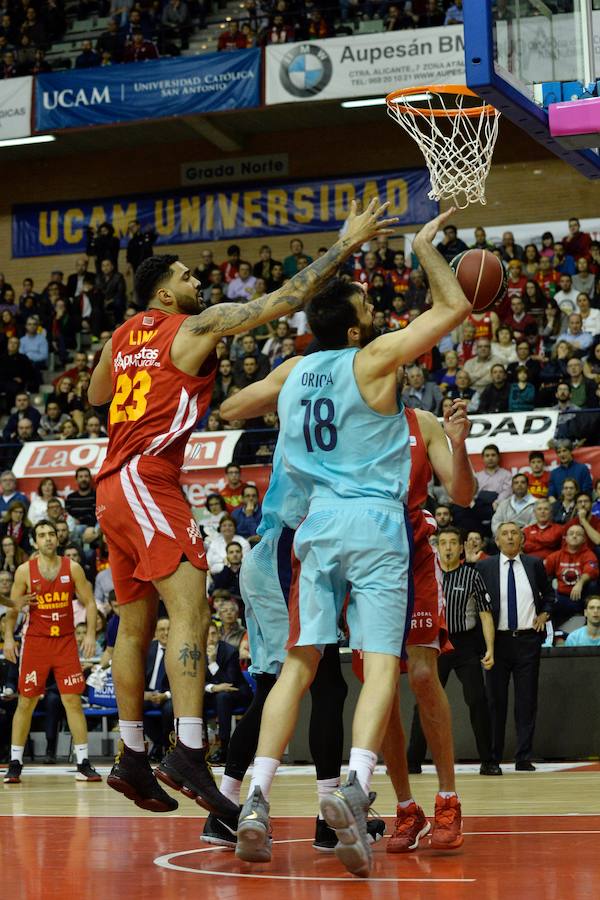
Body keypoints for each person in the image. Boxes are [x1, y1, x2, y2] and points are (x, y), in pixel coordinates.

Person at [87, 198, 400, 817]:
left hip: (109, 488)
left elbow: (99, 392)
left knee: (135, 618)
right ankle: (187, 750)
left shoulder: (122, 335)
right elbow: (284, 301)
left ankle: (129, 753)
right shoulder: (192, 327)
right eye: (186, 277)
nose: (197, 281)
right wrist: (345, 244)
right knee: (191, 606)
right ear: (167, 297)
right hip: (149, 476)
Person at [232, 208, 471, 877]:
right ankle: (357, 789)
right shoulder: (374, 358)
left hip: (315, 527)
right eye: (367, 303)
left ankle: (255, 799)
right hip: (373, 524)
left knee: (301, 664)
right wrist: (423, 246)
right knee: (381, 665)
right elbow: (451, 305)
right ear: (359, 325)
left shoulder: (294, 372)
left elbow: (231, 408)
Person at [215, 378, 475, 856]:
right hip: (357, 547)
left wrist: (458, 446)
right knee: (379, 678)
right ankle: (404, 806)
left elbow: (462, 493)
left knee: (419, 674)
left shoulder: (424, 424)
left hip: (409, 547)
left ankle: (447, 797)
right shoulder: (345, 418)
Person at [3, 520, 102, 784]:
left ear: (57, 539)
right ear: (35, 541)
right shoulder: (25, 571)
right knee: (27, 701)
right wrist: (9, 639)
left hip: (66, 642)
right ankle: (15, 762)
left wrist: (91, 633)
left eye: (51, 534)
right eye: (42, 535)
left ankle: (83, 761)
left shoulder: (73, 568)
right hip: (35, 642)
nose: (47, 538)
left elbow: (90, 602)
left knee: (72, 700)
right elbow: (13, 607)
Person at [406, 527, 498, 776]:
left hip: (465, 645)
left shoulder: (472, 575)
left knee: (477, 700)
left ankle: (488, 761)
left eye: (453, 543)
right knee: (425, 701)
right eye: (443, 542)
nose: (447, 547)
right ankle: (412, 761)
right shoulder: (427, 576)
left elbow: (485, 613)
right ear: (437, 547)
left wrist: (490, 648)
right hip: (435, 645)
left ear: (461, 548)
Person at [476, 522, 554, 771]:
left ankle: (523, 756)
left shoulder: (533, 564)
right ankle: (493, 757)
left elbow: (550, 596)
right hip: (496, 642)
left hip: (528, 640)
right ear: (496, 541)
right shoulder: (484, 566)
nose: (510, 537)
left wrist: (545, 613)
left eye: (514, 534)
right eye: (504, 534)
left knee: (526, 699)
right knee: (494, 701)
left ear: (522, 539)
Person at [204, 622, 252, 764]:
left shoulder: (230, 651)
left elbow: (229, 682)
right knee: (196, 698)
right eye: (207, 634)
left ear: (219, 635)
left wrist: (212, 663)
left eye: (213, 634)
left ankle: (225, 747)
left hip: (236, 694)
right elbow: (196, 680)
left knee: (223, 697)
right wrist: (213, 688)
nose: (210, 638)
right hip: (211, 693)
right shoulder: (197, 651)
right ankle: (200, 747)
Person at [544, 524, 599, 627]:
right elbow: (543, 574)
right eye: (571, 534)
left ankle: (589, 622)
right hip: (562, 597)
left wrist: (580, 583)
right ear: (566, 538)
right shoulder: (555, 556)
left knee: (593, 584)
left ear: (584, 539)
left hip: (582, 597)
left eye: (578, 534)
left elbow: (592, 571)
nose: (574, 536)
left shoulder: (588, 554)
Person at [144, 617, 173, 762]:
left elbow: (185, 682)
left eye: (169, 629)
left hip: (171, 695)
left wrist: (166, 695)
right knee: (133, 706)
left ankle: (168, 748)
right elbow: (138, 673)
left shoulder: (180, 649)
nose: (166, 633)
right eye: (162, 629)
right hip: (149, 693)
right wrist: (144, 694)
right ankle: (157, 742)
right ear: (155, 632)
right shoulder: (149, 648)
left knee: (169, 709)